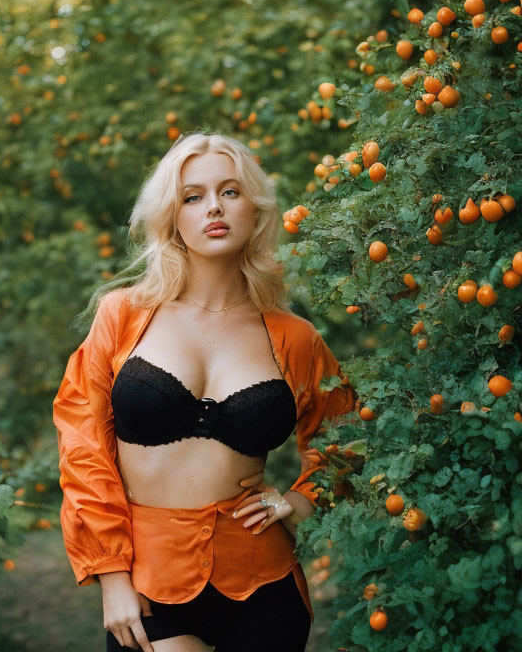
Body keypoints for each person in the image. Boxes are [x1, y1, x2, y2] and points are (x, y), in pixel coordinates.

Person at [52, 132, 358, 651]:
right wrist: (112, 574)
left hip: (265, 582)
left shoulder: (294, 336)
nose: (213, 207)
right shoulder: (123, 315)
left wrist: (298, 502)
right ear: (173, 217)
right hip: (150, 584)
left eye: (230, 191)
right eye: (193, 196)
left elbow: (347, 437)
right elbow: (83, 447)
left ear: (255, 210)